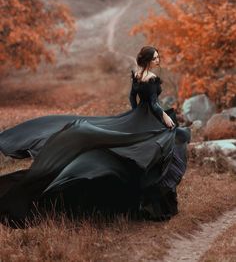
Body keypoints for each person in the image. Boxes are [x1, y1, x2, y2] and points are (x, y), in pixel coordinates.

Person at [0, 45, 191, 228]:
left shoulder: (137, 76)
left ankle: (142, 202)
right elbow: (155, 106)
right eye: (155, 57)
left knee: (148, 151)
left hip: (138, 117)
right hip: (149, 117)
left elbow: (133, 99)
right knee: (167, 142)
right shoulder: (151, 78)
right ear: (148, 60)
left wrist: (133, 116)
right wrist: (164, 119)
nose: (158, 60)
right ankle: (152, 206)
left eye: (158, 57)